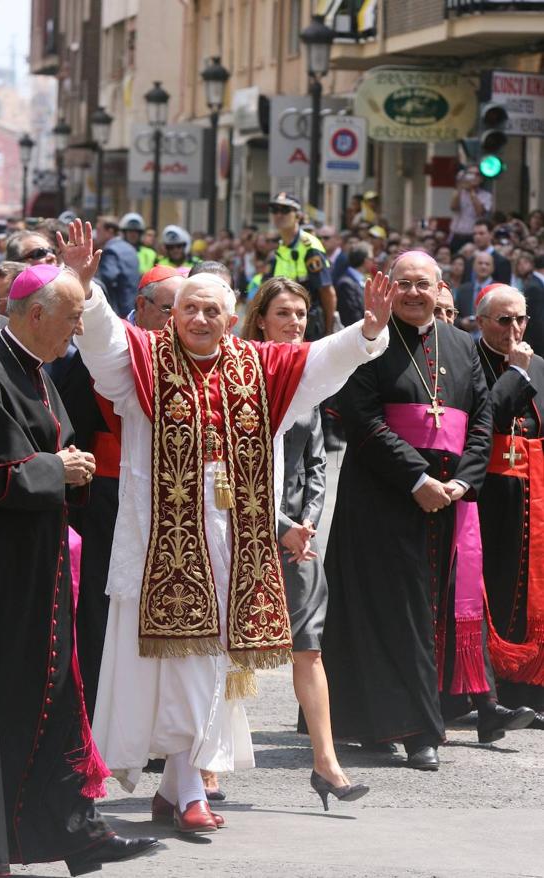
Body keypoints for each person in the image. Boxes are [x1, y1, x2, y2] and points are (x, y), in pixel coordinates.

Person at [69, 218, 393, 832]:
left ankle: (178, 782)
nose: (198, 319)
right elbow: (104, 341)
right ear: (172, 314)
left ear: (229, 315)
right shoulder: (145, 360)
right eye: (189, 308)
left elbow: (319, 360)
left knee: (209, 665)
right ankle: (190, 788)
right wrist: (87, 290)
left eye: (212, 310)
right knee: (172, 670)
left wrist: (367, 331)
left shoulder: (258, 366)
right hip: (159, 547)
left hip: (233, 546)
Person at [0, 262, 158, 878]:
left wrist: (63, 468)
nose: (79, 328)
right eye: (73, 317)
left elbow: (50, 448)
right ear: (37, 314)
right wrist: (58, 472)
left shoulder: (35, 371)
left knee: (52, 694)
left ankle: (76, 831)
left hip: (34, 566)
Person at [320, 251, 532, 771]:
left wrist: (461, 481)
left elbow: (482, 421)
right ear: (388, 287)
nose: (413, 292)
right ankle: (418, 730)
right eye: (403, 283)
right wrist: (417, 479)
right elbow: (362, 420)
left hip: (449, 500)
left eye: (423, 284)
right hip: (382, 497)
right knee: (398, 612)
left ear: (442, 290)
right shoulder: (367, 340)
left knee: (438, 613)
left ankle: (421, 715)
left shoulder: (460, 346)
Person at [241, 277, 369, 809]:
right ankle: (205, 769)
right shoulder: (242, 373)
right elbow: (237, 466)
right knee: (230, 653)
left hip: (301, 539)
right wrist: (279, 525)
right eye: (285, 314)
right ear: (261, 320)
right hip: (248, 526)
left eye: (302, 314)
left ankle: (327, 763)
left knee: (309, 646)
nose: (296, 323)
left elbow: (318, 464)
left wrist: (306, 526)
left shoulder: (309, 377)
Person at [53, 264, 184, 719]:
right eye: (171, 310)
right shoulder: (107, 347)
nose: (180, 320)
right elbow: (69, 425)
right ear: (143, 307)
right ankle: (102, 716)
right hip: (107, 496)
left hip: (174, 498)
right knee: (108, 607)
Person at [476, 285, 544, 728]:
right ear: (480, 322)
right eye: (504, 320)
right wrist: (515, 374)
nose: (513, 329)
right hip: (485, 500)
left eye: (520, 320)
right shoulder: (468, 362)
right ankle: (487, 696)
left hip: (531, 501)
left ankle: (528, 694)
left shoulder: (538, 365)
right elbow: (490, 418)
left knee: (528, 597)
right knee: (488, 592)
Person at [263, 192, 336, 338]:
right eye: (275, 210)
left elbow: (327, 292)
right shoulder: (281, 247)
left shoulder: (310, 247)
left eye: (285, 210)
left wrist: (328, 331)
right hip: (283, 324)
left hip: (307, 325)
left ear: (298, 215)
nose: (278, 215)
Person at [94, 215, 140, 317]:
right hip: (132, 309)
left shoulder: (111, 251)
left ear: (109, 231)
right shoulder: (130, 248)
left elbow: (106, 278)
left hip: (117, 311)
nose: (96, 234)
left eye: (98, 230)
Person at [449, 165, 492, 253]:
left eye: (477, 174)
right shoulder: (459, 192)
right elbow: (453, 207)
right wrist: (461, 187)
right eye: (470, 174)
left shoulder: (486, 196)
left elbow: (480, 212)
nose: (474, 177)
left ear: (481, 178)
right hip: (457, 235)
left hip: (473, 236)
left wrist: (472, 191)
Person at [455, 250, 494, 334]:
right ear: (474, 266)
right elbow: (453, 314)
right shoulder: (463, 289)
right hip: (466, 338)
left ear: (493, 268)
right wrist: (462, 322)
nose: (483, 266)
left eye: (487, 264)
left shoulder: (499, 290)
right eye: (480, 263)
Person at [336, 244, 371, 327]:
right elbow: (352, 319)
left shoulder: (362, 280)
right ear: (366, 261)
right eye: (372, 259)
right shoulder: (346, 284)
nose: (374, 261)